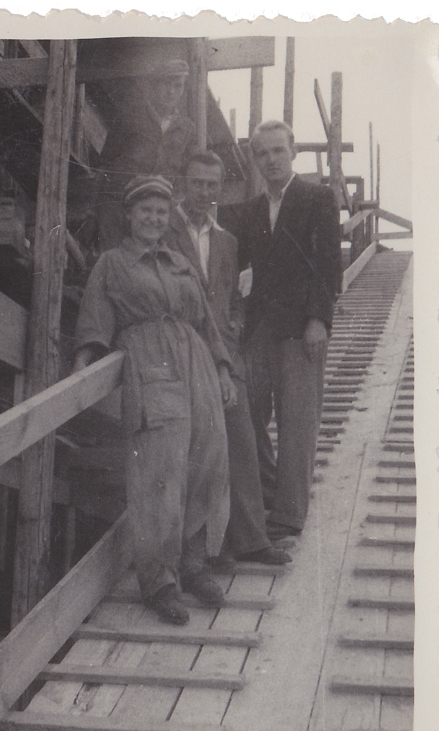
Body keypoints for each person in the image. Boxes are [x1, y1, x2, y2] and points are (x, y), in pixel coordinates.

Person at [74, 175, 237, 625]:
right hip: (150, 361)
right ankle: (159, 582)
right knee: (159, 471)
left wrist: (223, 369)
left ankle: (194, 565)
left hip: (197, 362)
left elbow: (207, 323)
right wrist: (84, 361)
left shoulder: (181, 262)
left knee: (206, 460)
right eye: (145, 210)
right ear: (129, 215)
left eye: (161, 212)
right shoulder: (112, 263)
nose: (154, 218)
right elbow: (94, 319)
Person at [165, 149, 292, 566]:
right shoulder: (163, 230)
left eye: (212, 184)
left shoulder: (227, 240)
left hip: (225, 351)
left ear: (221, 188)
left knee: (241, 437)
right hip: (182, 348)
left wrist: (235, 325)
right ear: (183, 183)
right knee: (193, 447)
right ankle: (205, 548)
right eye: (197, 183)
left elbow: (236, 295)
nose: (204, 192)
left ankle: (251, 539)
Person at [239, 120, 343, 538]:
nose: (271, 160)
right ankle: (269, 491)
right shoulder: (250, 210)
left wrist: (318, 319)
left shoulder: (317, 198)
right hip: (259, 328)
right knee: (244, 411)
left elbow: (328, 262)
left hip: (302, 327)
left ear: (293, 151)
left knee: (297, 421)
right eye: (262, 153)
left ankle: (289, 514)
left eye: (278, 150)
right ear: (255, 159)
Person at [95, 59, 196, 251]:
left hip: (156, 215)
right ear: (154, 85)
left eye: (178, 86)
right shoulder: (130, 117)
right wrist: (95, 211)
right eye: (166, 84)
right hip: (118, 208)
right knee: (115, 261)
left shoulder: (187, 129)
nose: (171, 92)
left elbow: (186, 174)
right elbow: (105, 163)